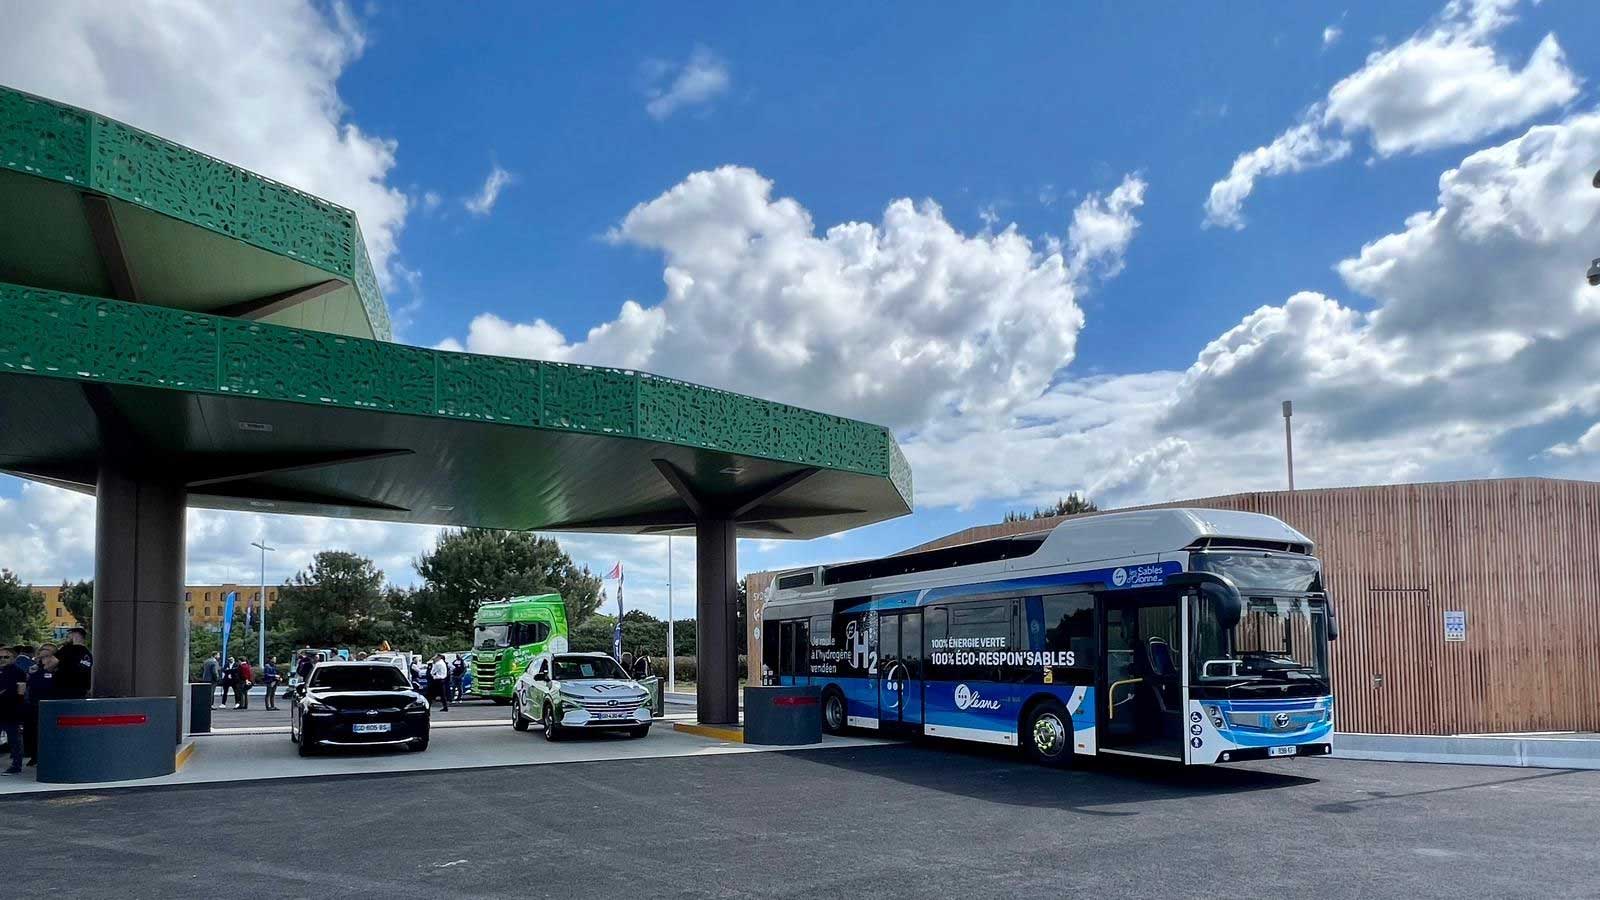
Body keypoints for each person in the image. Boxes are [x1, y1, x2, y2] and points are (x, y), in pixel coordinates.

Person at [23, 646, 57, 767]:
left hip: (50, 706)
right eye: (41, 656)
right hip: (34, 704)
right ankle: (34, 755)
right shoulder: (34, 670)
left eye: (47, 656)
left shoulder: (57, 671)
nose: (43, 659)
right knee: (33, 732)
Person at [0, 647, 24, 775]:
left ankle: (16, 765)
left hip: (11, 709)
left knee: (14, 740)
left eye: (6, 657)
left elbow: (21, 692)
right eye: (0, 657)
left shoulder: (18, 672)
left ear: (14, 658)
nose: (2, 660)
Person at [54, 627, 92, 700]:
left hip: (64, 688)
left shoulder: (67, 649)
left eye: (69, 634)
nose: (67, 636)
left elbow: (52, 662)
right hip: (81, 689)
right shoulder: (87, 653)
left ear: (75, 635)